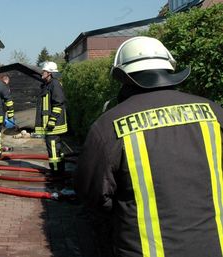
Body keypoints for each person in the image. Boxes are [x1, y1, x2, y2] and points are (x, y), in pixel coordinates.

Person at [74, 36, 223, 257]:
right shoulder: (214, 112)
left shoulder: (109, 125)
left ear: (123, 78)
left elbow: (92, 193)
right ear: (170, 69)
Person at [35, 61, 68, 176]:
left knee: (53, 148)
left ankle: (55, 171)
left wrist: (52, 120)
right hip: (51, 124)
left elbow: (58, 103)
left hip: (54, 125)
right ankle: (59, 170)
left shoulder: (55, 84)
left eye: (44, 71)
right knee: (56, 147)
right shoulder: (48, 84)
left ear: (49, 73)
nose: (42, 73)